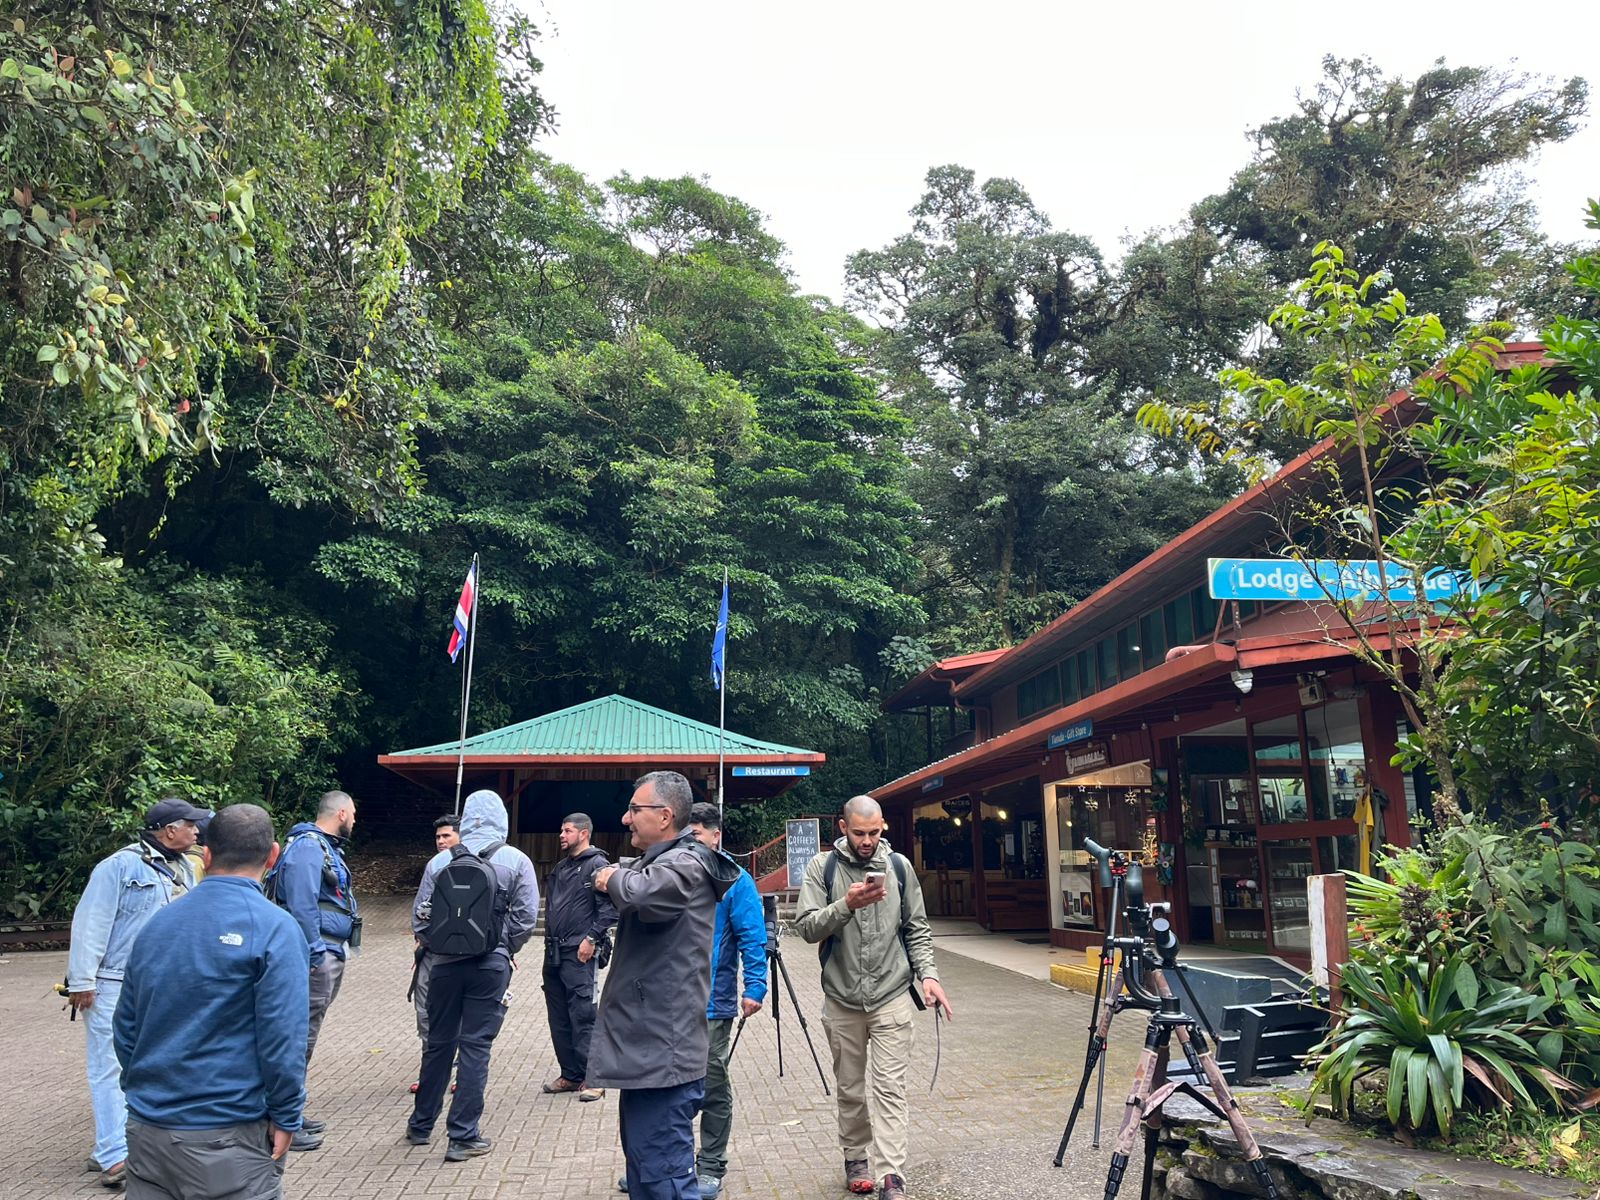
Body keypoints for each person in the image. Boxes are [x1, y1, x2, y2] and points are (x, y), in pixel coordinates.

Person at [113, 803, 310, 1200]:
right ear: (273, 855)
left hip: (148, 1131)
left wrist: (148, 1092)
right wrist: (288, 1114)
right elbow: (283, 1040)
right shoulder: (276, 930)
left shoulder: (158, 924)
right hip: (226, 1134)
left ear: (205, 855)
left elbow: (125, 1027)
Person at [587, 771, 739, 1200]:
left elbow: (642, 895)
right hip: (650, 1050)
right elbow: (638, 878)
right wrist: (619, 872)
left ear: (666, 815)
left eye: (635, 809)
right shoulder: (667, 860)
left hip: (664, 1056)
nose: (625, 818)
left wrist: (608, 879)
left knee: (664, 1180)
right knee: (646, 1172)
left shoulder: (686, 864)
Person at [794, 795, 953, 1200]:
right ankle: (855, 1159)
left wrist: (929, 975)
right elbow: (807, 928)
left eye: (874, 832)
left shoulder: (898, 867)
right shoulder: (822, 867)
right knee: (850, 1088)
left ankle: (891, 1176)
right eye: (859, 832)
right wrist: (845, 905)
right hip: (842, 998)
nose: (867, 840)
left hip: (892, 995)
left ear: (883, 826)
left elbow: (916, 927)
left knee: (890, 1089)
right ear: (843, 828)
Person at [67, 797, 207, 1190]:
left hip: (161, 984)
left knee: (149, 1067)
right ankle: (114, 1156)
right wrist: (82, 981)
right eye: (190, 825)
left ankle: (114, 1146)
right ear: (168, 829)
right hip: (112, 983)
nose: (197, 831)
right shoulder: (118, 866)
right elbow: (91, 921)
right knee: (109, 1067)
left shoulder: (184, 869)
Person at [406, 789, 540, 1162]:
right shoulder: (515, 860)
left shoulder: (440, 862)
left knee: (438, 1043)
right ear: (502, 819)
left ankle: (420, 1125)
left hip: (444, 966)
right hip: (490, 967)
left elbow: (420, 916)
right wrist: (503, 947)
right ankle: (463, 1136)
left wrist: (441, 945)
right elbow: (527, 916)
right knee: (476, 1046)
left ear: (464, 819)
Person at [268, 789, 360, 1151]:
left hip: (326, 950)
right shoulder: (309, 847)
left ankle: (291, 1111)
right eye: (352, 813)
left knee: (303, 1037)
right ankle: (281, 1121)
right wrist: (315, 954)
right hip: (316, 955)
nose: (355, 819)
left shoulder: (319, 846)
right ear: (340, 813)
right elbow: (303, 905)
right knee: (297, 1038)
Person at [685, 802, 768, 1199]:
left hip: (713, 1003)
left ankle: (711, 1164)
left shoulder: (737, 880)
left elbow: (753, 937)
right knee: (665, 1085)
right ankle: (664, 1163)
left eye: (698, 834)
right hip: (669, 1002)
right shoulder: (674, 872)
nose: (692, 841)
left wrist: (755, 988)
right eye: (688, 834)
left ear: (716, 836)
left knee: (711, 1083)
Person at [541, 812, 616, 1103]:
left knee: (583, 1016)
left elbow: (610, 909)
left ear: (584, 833)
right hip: (554, 952)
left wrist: (591, 939)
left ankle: (594, 1078)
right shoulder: (561, 867)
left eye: (568, 830)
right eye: (561, 829)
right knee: (559, 1017)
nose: (562, 834)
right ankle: (571, 1075)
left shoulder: (598, 865)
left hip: (580, 952)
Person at [408, 815, 461, 1094]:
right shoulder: (434, 865)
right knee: (426, 1014)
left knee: (461, 1017)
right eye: (438, 837)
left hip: (467, 957)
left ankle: (460, 1074)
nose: (441, 842)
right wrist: (424, 941)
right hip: (431, 953)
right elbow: (421, 911)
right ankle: (430, 1073)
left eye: (447, 836)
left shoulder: (481, 865)